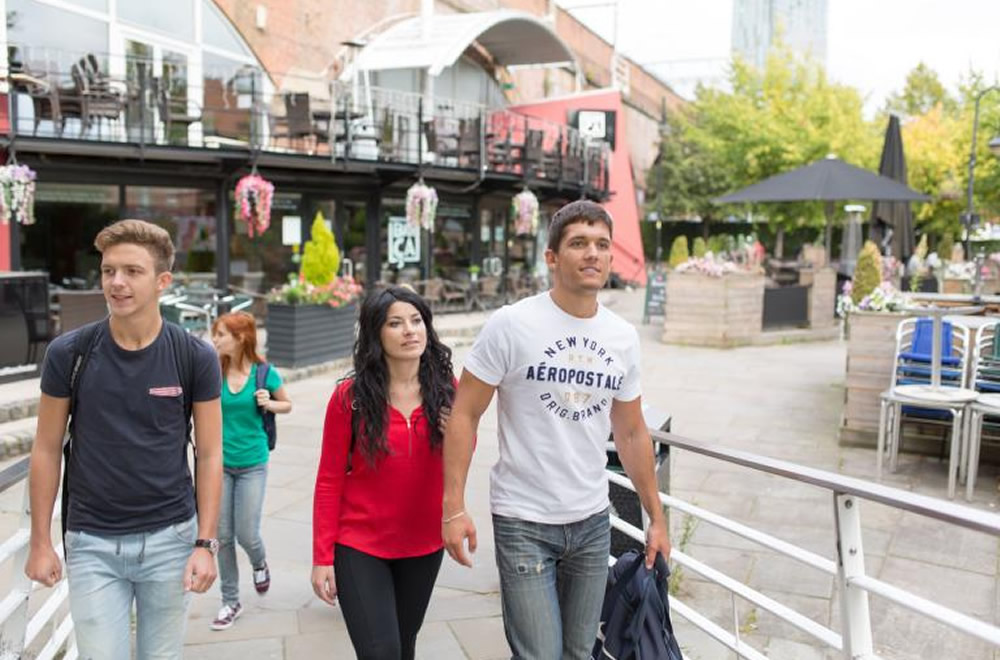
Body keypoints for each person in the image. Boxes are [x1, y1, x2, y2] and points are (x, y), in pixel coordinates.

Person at [442, 200, 671, 660]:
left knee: (579, 651)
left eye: (602, 245)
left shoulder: (622, 336)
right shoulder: (512, 324)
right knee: (539, 655)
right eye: (579, 243)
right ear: (551, 257)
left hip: (590, 519)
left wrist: (656, 518)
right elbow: (465, 413)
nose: (592, 254)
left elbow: (630, 433)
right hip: (523, 518)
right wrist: (453, 506)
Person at [25, 219, 223, 660]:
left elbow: (209, 454)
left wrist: (206, 544)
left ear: (162, 281)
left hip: (171, 539)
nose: (117, 282)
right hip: (91, 543)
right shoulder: (69, 354)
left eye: (132, 271)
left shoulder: (195, 356)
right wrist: (41, 541)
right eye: (109, 271)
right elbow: (45, 448)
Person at [312, 286, 456, 660]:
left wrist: (456, 434)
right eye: (396, 323)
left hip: (424, 543)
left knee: (404, 645)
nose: (411, 330)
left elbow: (460, 463)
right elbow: (329, 479)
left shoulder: (448, 392)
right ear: (376, 333)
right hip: (359, 544)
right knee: (382, 651)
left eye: (416, 320)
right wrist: (322, 556)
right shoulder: (349, 397)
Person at [209, 311, 292, 630]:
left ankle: (259, 562)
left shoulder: (264, 373)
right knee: (223, 536)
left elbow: (287, 403)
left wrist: (269, 403)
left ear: (240, 337)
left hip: (253, 463)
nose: (215, 340)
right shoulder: (213, 370)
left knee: (247, 533)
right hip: (219, 464)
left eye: (221, 334)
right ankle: (230, 601)